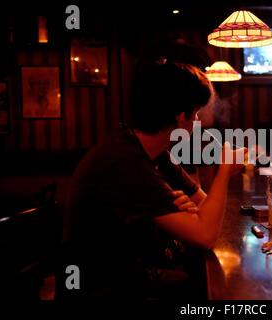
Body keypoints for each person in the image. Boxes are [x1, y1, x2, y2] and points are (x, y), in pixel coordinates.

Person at [59, 61, 245, 300]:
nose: (198, 120)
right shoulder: (124, 162)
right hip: (100, 289)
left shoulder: (154, 152)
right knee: (213, 289)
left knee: (201, 280)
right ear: (181, 117)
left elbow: (202, 207)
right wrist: (224, 172)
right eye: (196, 112)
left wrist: (196, 214)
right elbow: (205, 236)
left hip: (131, 273)